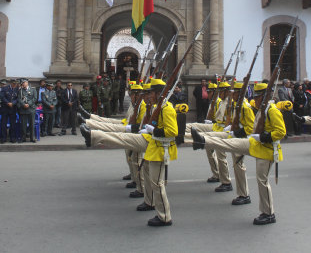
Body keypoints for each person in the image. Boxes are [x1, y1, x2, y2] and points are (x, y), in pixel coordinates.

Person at [80, 78, 178, 227]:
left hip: (159, 147)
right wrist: (148, 128)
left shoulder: (167, 108)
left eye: (151, 93)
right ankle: (150, 202)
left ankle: (165, 217)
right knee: (147, 175)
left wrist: (153, 130)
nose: (148, 96)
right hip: (152, 144)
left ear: (158, 93)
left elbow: (172, 132)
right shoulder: (156, 107)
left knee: (157, 183)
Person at [191, 82, 286, 225]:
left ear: (265, 96)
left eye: (259, 96)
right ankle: (203, 141)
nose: (256, 99)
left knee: (262, 180)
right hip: (257, 144)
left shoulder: (271, 110)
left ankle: (268, 213)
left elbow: (281, 132)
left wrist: (262, 137)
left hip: (267, 149)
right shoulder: (261, 108)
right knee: (229, 145)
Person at [17, 79, 37, 143]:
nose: (23, 84)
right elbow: (19, 99)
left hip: (31, 109)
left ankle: (32, 138)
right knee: (23, 125)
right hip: (23, 109)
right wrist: (23, 104)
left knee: (32, 124)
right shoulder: (20, 90)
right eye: (22, 83)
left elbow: (35, 98)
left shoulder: (33, 89)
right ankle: (23, 138)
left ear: (27, 83)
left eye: (24, 82)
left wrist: (28, 104)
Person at [1, 78, 19, 143]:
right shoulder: (4, 88)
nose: (15, 85)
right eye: (14, 83)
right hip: (5, 108)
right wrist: (7, 103)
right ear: (11, 83)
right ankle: (3, 138)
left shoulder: (17, 89)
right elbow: (2, 97)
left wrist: (13, 103)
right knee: (3, 124)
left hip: (13, 109)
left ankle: (12, 138)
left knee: (13, 124)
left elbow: (18, 98)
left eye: (16, 84)